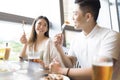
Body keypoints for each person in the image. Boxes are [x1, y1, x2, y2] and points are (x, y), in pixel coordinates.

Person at [50, 0, 120, 80]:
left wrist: (60, 70)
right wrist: (59, 48)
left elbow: (100, 71)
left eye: (75, 14)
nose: (72, 18)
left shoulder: (111, 36)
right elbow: (70, 64)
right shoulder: (76, 39)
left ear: (88, 17)